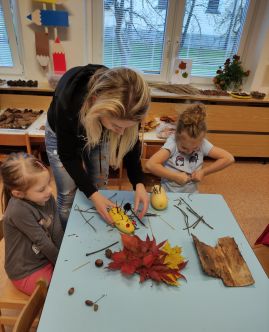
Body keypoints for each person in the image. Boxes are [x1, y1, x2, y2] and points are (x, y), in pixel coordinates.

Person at [45, 64, 150, 229]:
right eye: (117, 126)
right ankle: (64, 241)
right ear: (96, 103)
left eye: (127, 127)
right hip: (63, 134)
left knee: (100, 187)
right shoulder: (68, 104)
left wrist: (139, 183)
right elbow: (68, 156)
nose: (121, 133)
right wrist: (92, 195)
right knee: (67, 197)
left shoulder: (130, 107)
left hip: (99, 128)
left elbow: (130, 146)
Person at [1, 153, 63, 295]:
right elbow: (43, 242)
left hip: (45, 259)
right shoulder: (18, 210)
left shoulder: (47, 198)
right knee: (59, 293)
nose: (50, 190)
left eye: (48, 183)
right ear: (18, 194)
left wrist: (64, 256)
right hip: (26, 271)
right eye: (41, 189)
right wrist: (62, 263)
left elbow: (57, 230)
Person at [146, 104, 234, 193]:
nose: (189, 151)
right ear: (176, 136)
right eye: (184, 147)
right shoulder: (172, 143)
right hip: (168, 194)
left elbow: (229, 158)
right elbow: (150, 165)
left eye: (195, 148)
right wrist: (175, 176)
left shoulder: (203, 143)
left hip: (191, 195)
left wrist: (203, 172)